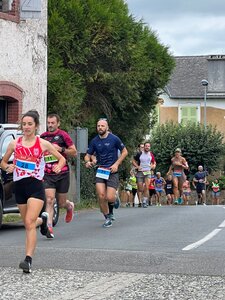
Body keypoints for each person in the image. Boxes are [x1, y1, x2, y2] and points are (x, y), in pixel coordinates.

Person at [0, 110, 66, 273]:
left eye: (30, 124)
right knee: (29, 223)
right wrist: (7, 166)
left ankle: (28, 260)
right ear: (21, 126)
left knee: (29, 222)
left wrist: (58, 166)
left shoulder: (42, 143)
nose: (27, 127)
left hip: (36, 187)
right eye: (24, 124)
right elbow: (2, 162)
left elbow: (61, 158)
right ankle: (43, 220)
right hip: (19, 187)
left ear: (36, 126)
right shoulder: (15, 144)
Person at [84, 119, 128, 228]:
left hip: (112, 171)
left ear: (107, 127)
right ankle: (107, 217)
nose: (100, 128)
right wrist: (87, 162)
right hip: (100, 170)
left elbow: (125, 152)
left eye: (102, 126)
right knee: (101, 196)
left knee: (109, 197)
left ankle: (113, 200)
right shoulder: (94, 141)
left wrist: (116, 164)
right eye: (98, 126)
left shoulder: (114, 139)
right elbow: (87, 155)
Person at [40, 113, 77, 238]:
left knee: (61, 203)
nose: (50, 125)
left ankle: (69, 206)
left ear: (58, 123)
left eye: (52, 123)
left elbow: (74, 152)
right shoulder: (43, 137)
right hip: (47, 174)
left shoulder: (63, 135)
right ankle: (49, 227)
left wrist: (61, 149)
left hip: (62, 173)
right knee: (49, 200)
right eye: (48, 123)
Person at [132, 142, 156, 208]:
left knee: (147, 187)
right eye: (146, 146)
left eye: (148, 146)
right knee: (140, 188)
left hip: (148, 172)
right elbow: (133, 161)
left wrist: (153, 166)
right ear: (144, 147)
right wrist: (137, 166)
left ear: (150, 147)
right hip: (140, 172)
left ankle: (145, 201)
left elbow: (154, 162)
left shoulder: (151, 154)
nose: (147, 147)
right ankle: (141, 198)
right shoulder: (139, 154)